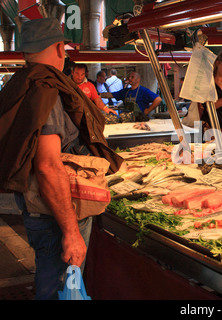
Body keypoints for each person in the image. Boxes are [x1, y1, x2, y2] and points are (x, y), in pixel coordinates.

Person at [0, 18, 123, 299]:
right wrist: (70, 232)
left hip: (37, 207)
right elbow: (47, 165)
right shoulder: (46, 91)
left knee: (54, 279)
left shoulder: (20, 83)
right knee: (58, 286)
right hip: (53, 213)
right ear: (58, 48)